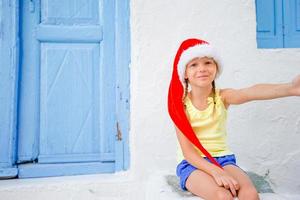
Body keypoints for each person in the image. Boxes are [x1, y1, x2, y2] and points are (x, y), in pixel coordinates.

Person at [167, 38, 300, 200]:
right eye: (193, 64)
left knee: (250, 194)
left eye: (208, 63)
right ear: (185, 74)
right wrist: (216, 172)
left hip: (224, 159)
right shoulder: (180, 106)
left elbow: (251, 92)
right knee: (222, 196)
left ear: (216, 68)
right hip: (192, 164)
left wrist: (290, 88)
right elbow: (188, 153)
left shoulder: (223, 97)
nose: (202, 69)